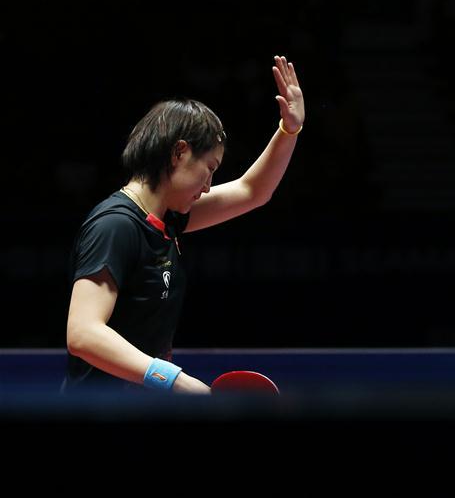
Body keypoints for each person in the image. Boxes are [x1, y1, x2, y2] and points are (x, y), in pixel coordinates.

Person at [63, 55, 305, 394]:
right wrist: (173, 380)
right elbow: (83, 333)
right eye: (209, 168)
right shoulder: (116, 226)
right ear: (179, 153)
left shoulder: (167, 220)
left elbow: (252, 191)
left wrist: (289, 129)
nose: (208, 185)